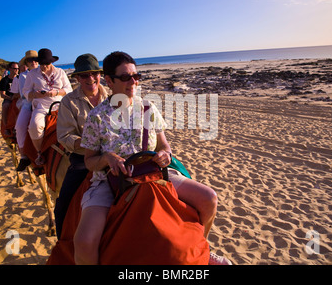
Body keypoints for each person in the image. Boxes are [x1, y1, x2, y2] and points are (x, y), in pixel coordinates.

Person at [73, 51, 231, 265]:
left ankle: (200, 249)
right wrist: (107, 158)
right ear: (109, 80)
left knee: (209, 198)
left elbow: (164, 145)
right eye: (126, 77)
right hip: (110, 180)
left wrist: (165, 154)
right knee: (84, 241)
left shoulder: (148, 108)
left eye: (136, 76)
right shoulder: (96, 116)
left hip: (151, 173)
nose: (133, 82)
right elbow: (89, 161)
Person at [54, 53, 109, 239]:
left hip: (115, 154)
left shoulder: (112, 96)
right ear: (77, 78)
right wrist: (89, 143)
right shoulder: (68, 102)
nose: (91, 78)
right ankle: (62, 242)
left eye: (94, 73)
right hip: (83, 157)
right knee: (64, 204)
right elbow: (64, 136)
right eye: (84, 75)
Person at [23, 48, 72, 165]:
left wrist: (56, 92)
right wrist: (36, 94)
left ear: (51, 62)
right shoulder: (32, 74)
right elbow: (25, 91)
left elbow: (68, 89)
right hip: (41, 107)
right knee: (35, 126)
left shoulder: (60, 72)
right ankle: (39, 152)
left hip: (60, 105)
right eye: (41, 64)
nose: (43, 66)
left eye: (46, 64)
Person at [12, 50, 39, 171]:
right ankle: (23, 155)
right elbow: (24, 94)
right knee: (20, 126)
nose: (33, 62)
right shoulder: (22, 76)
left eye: (35, 59)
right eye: (30, 60)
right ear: (26, 63)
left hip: (47, 102)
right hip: (29, 103)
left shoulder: (44, 72)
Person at [0, 62, 19, 134]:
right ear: (10, 69)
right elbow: (2, 94)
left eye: (17, 68)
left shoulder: (20, 78)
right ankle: (6, 127)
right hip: (9, 97)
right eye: (14, 68)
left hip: (18, 97)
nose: (16, 70)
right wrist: (11, 98)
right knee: (5, 106)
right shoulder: (4, 80)